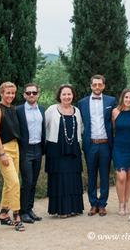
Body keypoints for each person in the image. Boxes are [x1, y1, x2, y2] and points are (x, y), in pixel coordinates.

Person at [78, 75, 116, 216]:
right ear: (91, 86)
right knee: (91, 175)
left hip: (106, 144)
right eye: (95, 85)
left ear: (104, 86)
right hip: (90, 144)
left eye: (100, 84)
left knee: (105, 175)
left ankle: (102, 204)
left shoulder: (111, 101)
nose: (97, 87)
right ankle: (93, 204)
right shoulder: (82, 103)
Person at [45, 84, 84, 217]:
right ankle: (61, 210)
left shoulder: (77, 111)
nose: (67, 97)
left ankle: (74, 208)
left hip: (73, 150)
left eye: (69, 94)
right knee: (59, 179)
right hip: (56, 150)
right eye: (64, 94)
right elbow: (44, 128)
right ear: (59, 96)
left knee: (73, 178)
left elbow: (81, 129)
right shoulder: (51, 110)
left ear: (72, 95)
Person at [0, 82, 23, 231]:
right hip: (3, 149)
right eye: (7, 93)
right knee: (15, 183)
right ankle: (17, 215)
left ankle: (4, 213)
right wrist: (2, 153)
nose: (10, 95)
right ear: (1, 93)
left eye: (12, 93)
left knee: (9, 183)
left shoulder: (13, 108)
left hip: (15, 147)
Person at [17, 83, 46, 223]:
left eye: (34, 93)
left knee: (33, 181)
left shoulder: (41, 109)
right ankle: (22, 212)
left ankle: (29, 209)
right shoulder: (18, 110)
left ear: (38, 94)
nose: (31, 95)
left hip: (38, 149)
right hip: (25, 150)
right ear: (24, 95)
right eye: (28, 93)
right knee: (27, 181)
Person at [112, 89, 130, 215]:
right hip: (118, 146)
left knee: (129, 175)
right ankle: (120, 203)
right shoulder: (115, 112)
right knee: (121, 176)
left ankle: (126, 203)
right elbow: (113, 128)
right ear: (122, 98)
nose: (128, 100)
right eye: (126, 97)